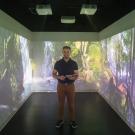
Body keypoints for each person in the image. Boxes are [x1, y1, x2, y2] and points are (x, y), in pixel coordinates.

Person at [52, 46, 79, 129]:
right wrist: (59, 77)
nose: (66, 53)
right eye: (64, 51)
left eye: (68, 51)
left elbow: (76, 75)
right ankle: (60, 120)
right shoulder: (58, 63)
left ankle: (72, 121)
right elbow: (53, 74)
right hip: (61, 86)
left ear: (70, 52)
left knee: (71, 105)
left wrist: (72, 78)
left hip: (71, 86)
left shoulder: (74, 63)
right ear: (62, 52)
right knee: (61, 104)